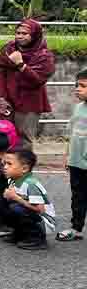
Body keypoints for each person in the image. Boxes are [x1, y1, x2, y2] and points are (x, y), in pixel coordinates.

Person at [0, 19, 55, 149]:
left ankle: (23, 167)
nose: (20, 36)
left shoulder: (44, 56)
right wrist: (1, 98)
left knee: (24, 138)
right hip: (7, 99)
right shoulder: (8, 49)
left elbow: (37, 80)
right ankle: (1, 166)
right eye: (18, 32)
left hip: (29, 102)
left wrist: (21, 65)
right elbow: (0, 75)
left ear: (35, 35)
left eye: (25, 33)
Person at [0, 149, 55, 250]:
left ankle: (37, 239)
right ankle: (20, 233)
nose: (5, 167)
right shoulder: (12, 179)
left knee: (15, 207)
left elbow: (40, 210)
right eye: (4, 163)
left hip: (44, 222)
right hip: (30, 214)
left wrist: (16, 198)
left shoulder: (30, 184)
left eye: (9, 164)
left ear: (24, 168)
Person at [56, 69, 87, 242]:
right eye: (77, 85)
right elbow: (72, 135)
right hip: (76, 162)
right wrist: (67, 156)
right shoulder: (78, 108)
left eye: (83, 86)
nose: (78, 89)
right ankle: (76, 228)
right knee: (78, 195)